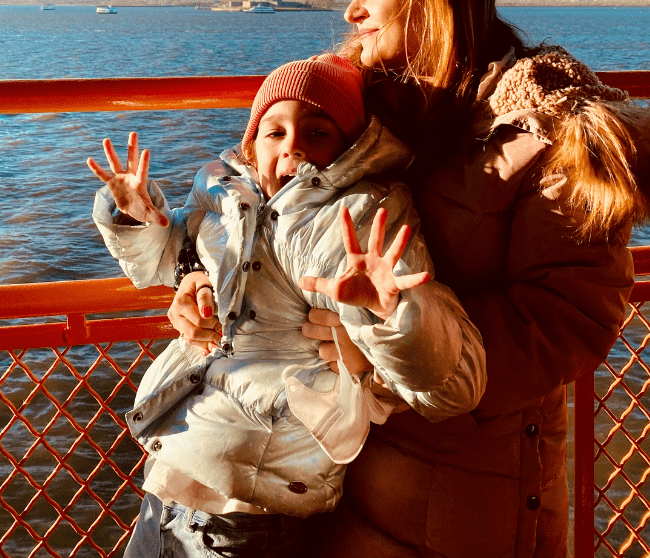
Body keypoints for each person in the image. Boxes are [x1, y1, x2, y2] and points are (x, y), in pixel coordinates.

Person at [170, 0, 649, 558]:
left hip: (471, 497)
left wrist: (384, 349)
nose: (350, 9)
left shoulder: (546, 129)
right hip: (343, 482)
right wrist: (194, 274)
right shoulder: (357, 104)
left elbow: (570, 317)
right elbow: (252, 191)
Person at [88, 53, 486, 558]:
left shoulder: (355, 219)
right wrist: (141, 218)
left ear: (350, 148)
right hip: (171, 475)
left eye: (316, 132)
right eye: (274, 132)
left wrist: (389, 315)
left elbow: (457, 385)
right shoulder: (227, 198)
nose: (292, 145)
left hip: (247, 512)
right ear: (252, 147)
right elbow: (170, 258)